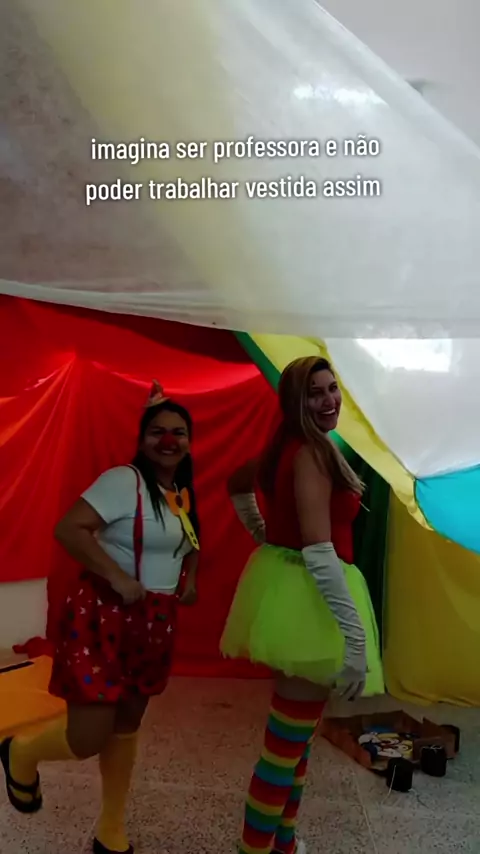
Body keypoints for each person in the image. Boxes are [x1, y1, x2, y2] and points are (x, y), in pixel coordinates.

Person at [0, 382, 200, 854]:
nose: (168, 440)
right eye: (157, 431)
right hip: (103, 617)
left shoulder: (179, 492)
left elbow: (189, 542)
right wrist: (117, 576)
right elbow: (69, 528)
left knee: (126, 724)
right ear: (142, 439)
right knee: (88, 735)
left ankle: (110, 830)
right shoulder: (122, 481)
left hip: (154, 622)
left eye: (178, 432)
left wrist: (189, 579)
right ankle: (20, 750)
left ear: (190, 441)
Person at [221, 356, 384, 854]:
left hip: (299, 596)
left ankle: (284, 844)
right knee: (284, 749)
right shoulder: (310, 453)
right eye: (315, 392)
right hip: (311, 602)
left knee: (297, 742)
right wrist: (354, 637)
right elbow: (317, 551)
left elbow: (237, 483)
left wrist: (265, 534)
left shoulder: (289, 444)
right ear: (295, 401)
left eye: (332, 388)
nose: (329, 399)